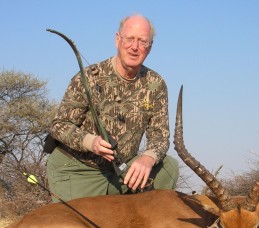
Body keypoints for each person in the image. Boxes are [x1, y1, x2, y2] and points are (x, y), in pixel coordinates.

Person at [46, 14, 179, 202]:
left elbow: (160, 136)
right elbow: (59, 126)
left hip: (122, 170)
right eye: (130, 39)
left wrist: (147, 158)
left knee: (169, 167)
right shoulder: (90, 77)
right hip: (79, 169)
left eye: (142, 41)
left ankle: (140, 225)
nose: (135, 47)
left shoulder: (156, 84)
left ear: (150, 47)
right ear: (118, 40)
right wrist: (90, 142)